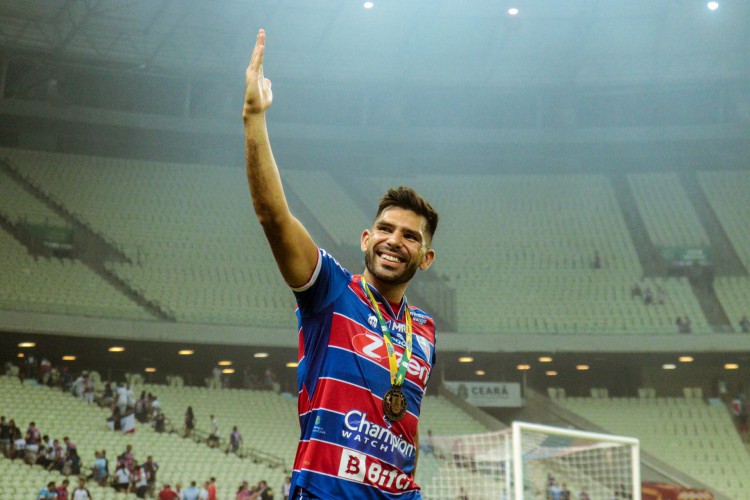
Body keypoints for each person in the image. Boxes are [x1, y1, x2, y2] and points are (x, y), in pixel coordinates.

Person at [244, 29, 439, 499]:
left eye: (410, 236)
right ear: (366, 238)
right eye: (386, 230)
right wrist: (254, 118)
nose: (395, 241)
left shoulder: (426, 331)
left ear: (426, 258)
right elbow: (273, 217)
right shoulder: (330, 290)